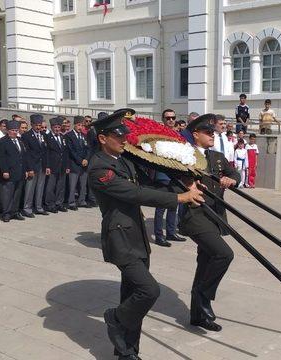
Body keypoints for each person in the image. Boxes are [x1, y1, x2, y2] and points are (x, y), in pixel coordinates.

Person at [88, 109, 204, 360]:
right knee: (148, 291)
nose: (123, 139)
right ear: (102, 138)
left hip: (137, 235)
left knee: (132, 295)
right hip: (120, 238)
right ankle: (114, 318)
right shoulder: (100, 168)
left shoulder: (124, 160)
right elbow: (134, 194)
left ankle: (127, 352)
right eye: (118, 136)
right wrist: (178, 198)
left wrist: (184, 182)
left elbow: (149, 184)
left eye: (124, 134)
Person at [178, 114, 239, 332]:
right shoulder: (184, 156)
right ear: (195, 134)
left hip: (216, 216)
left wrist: (232, 179)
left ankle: (198, 315)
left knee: (205, 262)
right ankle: (204, 298)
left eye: (213, 132)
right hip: (196, 216)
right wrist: (187, 185)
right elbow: (172, 184)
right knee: (224, 254)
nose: (212, 135)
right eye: (207, 132)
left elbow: (234, 174)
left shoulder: (218, 157)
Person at [153, 109, 186, 247]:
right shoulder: (158, 134)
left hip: (176, 175)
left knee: (174, 205)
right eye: (168, 118)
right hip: (163, 175)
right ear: (163, 120)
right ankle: (159, 236)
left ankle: (171, 233)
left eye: (173, 117)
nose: (171, 120)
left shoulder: (178, 134)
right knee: (161, 207)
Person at [0, 120, 30, 222]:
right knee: (7, 194)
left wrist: (25, 170)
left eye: (16, 130)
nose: (14, 132)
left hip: (20, 171)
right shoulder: (2, 141)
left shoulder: (20, 140)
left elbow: (24, 157)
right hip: (9, 172)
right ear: (7, 130)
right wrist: (5, 171)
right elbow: (1, 158)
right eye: (12, 130)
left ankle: (15, 212)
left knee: (17, 193)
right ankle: (6, 213)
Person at [21, 114, 49, 217]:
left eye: (40, 125)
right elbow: (26, 154)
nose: (38, 127)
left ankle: (38, 207)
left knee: (40, 187)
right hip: (32, 166)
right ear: (31, 124)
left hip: (42, 165)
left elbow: (46, 152)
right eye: (36, 125)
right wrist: (29, 168)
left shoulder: (44, 135)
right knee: (30, 188)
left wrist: (47, 166)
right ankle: (27, 208)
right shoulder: (26, 136)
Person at [44, 117, 70, 213]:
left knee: (61, 186)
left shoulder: (62, 137)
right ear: (52, 127)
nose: (57, 129)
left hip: (62, 166)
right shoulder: (47, 137)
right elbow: (46, 153)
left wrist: (67, 166)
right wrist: (47, 166)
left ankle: (59, 203)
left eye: (59, 127)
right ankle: (50, 204)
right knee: (51, 187)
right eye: (55, 127)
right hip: (52, 166)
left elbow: (66, 152)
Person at [65, 116, 90, 210]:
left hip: (84, 164)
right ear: (74, 125)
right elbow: (71, 151)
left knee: (83, 184)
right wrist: (80, 160)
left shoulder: (84, 136)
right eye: (79, 125)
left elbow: (88, 148)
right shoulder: (69, 136)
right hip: (74, 164)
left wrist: (86, 159)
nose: (81, 127)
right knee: (73, 185)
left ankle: (82, 200)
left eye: (82, 125)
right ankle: (71, 202)